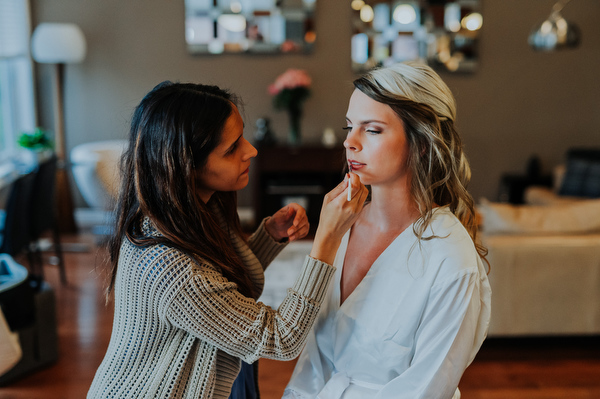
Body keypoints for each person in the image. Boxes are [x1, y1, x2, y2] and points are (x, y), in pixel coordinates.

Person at [87, 81, 368, 399]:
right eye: (232, 148)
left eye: (243, 136)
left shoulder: (197, 209)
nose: (251, 150)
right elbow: (280, 338)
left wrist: (269, 236)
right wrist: (328, 236)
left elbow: (224, 285)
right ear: (187, 165)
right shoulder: (167, 265)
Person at [283, 61, 492, 399]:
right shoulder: (341, 229)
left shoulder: (452, 259)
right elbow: (312, 363)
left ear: (422, 142)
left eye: (373, 129)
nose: (350, 142)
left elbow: (428, 388)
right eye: (349, 127)